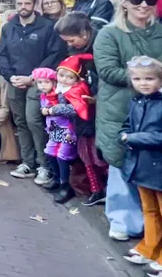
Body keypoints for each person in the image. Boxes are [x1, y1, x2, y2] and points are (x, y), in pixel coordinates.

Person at [95, 0, 162, 241]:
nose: (143, 5)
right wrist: (147, 79)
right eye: (137, 0)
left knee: (154, 166)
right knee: (122, 164)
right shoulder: (109, 34)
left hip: (158, 111)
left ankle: (155, 226)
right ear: (124, 3)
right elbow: (107, 70)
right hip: (120, 109)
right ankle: (123, 220)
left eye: (149, 1)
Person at [0, 0, 66, 185]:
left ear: (34, 5)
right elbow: (2, 54)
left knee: (34, 120)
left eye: (27, 4)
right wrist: (10, 76)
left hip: (38, 82)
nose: (23, 7)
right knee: (20, 121)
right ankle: (27, 162)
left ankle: (44, 165)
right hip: (14, 81)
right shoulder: (9, 27)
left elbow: (54, 54)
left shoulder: (48, 27)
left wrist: (32, 77)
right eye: (19, 4)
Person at [120, 56, 162, 277]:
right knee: (149, 210)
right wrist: (123, 135)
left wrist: (133, 137)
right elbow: (127, 125)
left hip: (161, 168)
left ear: (161, 80)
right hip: (141, 165)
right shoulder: (136, 102)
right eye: (137, 78)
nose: (143, 83)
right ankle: (150, 247)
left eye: (149, 78)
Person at [55, 12, 107, 207]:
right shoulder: (77, 50)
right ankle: (94, 188)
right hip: (83, 107)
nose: (70, 44)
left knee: (99, 154)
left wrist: (95, 98)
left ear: (85, 33)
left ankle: (105, 188)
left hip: (98, 106)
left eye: (72, 39)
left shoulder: (101, 45)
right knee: (85, 152)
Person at [40, 56, 92, 204]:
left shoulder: (77, 91)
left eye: (69, 77)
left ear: (76, 79)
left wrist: (53, 110)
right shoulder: (56, 89)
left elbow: (76, 109)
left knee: (62, 156)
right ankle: (56, 178)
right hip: (55, 127)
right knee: (50, 152)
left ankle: (65, 185)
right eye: (61, 75)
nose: (64, 79)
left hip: (69, 129)